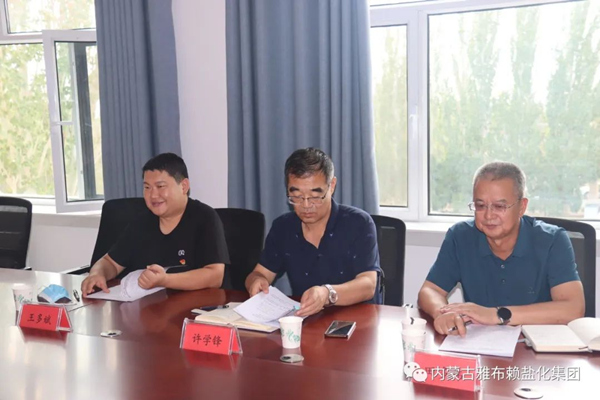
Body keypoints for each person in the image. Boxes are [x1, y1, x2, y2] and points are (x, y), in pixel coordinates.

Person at [418, 162, 584, 336]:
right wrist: (443, 313)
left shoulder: (552, 240)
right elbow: (430, 290)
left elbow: (573, 309)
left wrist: (497, 315)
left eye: (499, 206)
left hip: (539, 344)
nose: (489, 215)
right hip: (480, 342)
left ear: (522, 207)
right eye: (480, 206)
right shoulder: (460, 236)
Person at [245, 148, 381, 317]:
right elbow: (259, 273)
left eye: (315, 196)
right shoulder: (283, 227)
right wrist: (256, 281)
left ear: (331, 186)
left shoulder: (358, 223)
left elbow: (368, 284)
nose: (306, 205)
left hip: (356, 322)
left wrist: (327, 294)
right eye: (296, 196)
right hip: (306, 321)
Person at [82, 153, 229, 296]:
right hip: (150, 306)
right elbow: (110, 262)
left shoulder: (205, 218)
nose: (153, 195)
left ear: (184, 186)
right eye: (147, 187)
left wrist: (165, 280)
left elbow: (215, 276)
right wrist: (97, 274)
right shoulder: (142, 221)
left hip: (195, 306)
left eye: (160, 186)